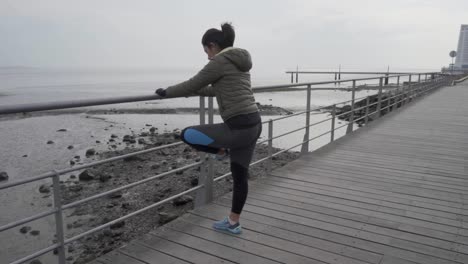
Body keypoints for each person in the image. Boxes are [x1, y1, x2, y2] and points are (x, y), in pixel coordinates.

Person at [155, 23, 261, 234]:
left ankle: (221, 151)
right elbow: (218, 89)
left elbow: (192, 84)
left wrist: (166, 92)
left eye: (206, 51)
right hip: (254, 124)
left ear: (213, 45)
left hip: (237, 128)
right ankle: (233, 223)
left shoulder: (220, 61)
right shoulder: (240, 62)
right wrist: (198, 91)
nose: (207, 56)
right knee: (240, 175)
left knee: (188, 134)